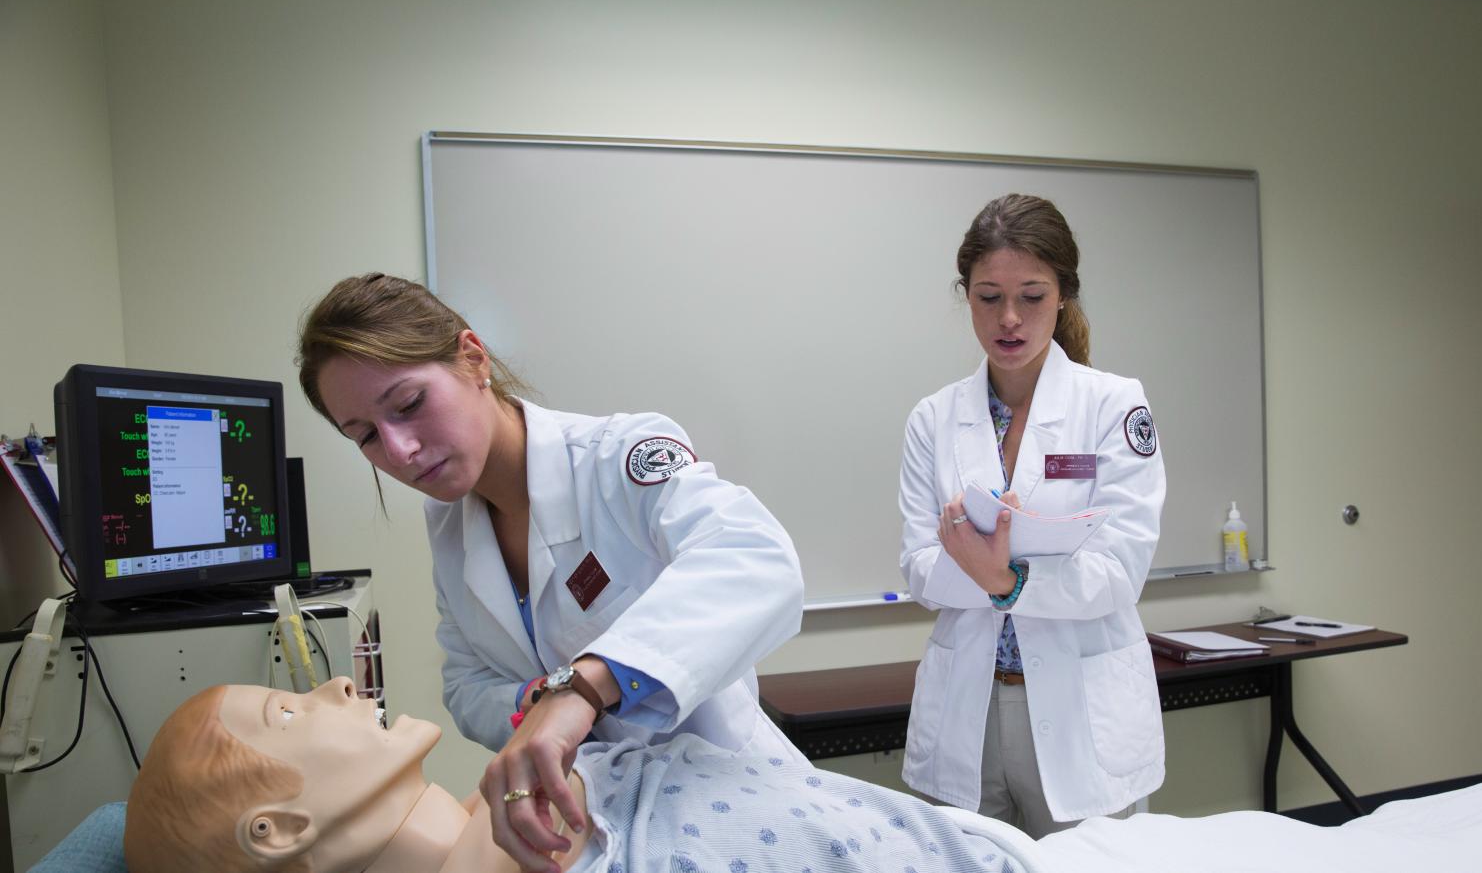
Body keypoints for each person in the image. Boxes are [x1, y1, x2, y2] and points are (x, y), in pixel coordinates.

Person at [295, 274, 806, 869]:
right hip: (602, 819)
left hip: (730, 801)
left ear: (472, 358)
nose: (399, 450)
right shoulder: (449, 525)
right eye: (366, 437)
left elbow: (754, 559)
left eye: (408, 405)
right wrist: (537, 699)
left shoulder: (620, 456)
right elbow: (466, 684)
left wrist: (585, 687)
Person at [123, 678, 1034, 873]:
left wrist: (585, 690)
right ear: (278, 829)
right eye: (290, 709)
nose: (335, 683)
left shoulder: (535, 787)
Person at [897, 193, 1166, 837]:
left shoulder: (1113, 406)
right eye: (988, 297)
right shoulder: (933, 420)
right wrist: (994, 569)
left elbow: (1118, 572)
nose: (1009, 318)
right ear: (966, 296)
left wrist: (1002, 579)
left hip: (1081, 713)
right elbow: (919, 568)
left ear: (1064, 296)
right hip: (970, 704)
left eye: (1032, 296)